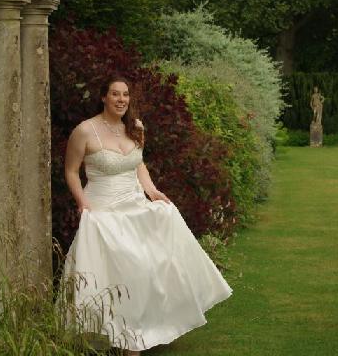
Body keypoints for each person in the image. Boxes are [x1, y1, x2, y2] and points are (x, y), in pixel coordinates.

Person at [61, 73, 232, 355]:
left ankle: (150, 328)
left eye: (125, 94)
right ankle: (127, 338)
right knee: (123, 274)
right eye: (115, 94)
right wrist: (83, 203)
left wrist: (152, 191)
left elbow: (138, 165)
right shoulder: (85, 131)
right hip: (103, 211)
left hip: (135, 205)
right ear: (103, 97)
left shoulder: (136, 127)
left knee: (153, 266)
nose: (121, 99)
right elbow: (70, 171)